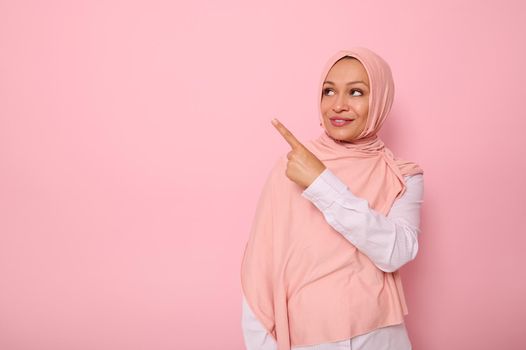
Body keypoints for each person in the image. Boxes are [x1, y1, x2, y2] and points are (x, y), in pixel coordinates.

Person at [240, 47, 424, 350]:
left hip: (381, 337)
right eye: (329, 91)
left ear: (379, 100)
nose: (338, 105)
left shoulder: (402, 175)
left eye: (356, 92)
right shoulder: (292, 166)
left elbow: (396, 252)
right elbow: (258, 273)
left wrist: (321, 182)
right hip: (310, 340)